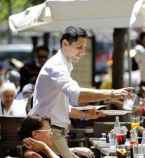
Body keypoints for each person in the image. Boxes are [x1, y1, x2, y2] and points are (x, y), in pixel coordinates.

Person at [29, 26, 132, 158]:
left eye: (84, 47)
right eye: (79, 47)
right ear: (65, 43)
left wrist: (85, 114)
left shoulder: (63, 64)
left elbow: (60, 108)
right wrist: (112, 93)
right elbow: (77, 95)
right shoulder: (57, 66)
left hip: (53, 132)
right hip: (49, 132)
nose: (83, 52)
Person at [19, 116, 95, 158]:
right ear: (35, 134)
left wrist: (74, 150)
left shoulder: (41, 150)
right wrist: (45, 147)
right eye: (48, 130)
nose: (51, 133)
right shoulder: (32, 155)